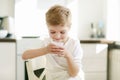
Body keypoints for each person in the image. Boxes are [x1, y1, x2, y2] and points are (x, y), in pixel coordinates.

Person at [22, 5, 84, 80]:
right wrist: (46, 50)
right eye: (52, 32)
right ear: (47, 27)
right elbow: (24, 56)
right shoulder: (46, 42)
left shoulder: (74, 44)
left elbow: (74, 74)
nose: (57, 36)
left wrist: (68, 55)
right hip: (52, 77)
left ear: (69, 27)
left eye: (62, 32)